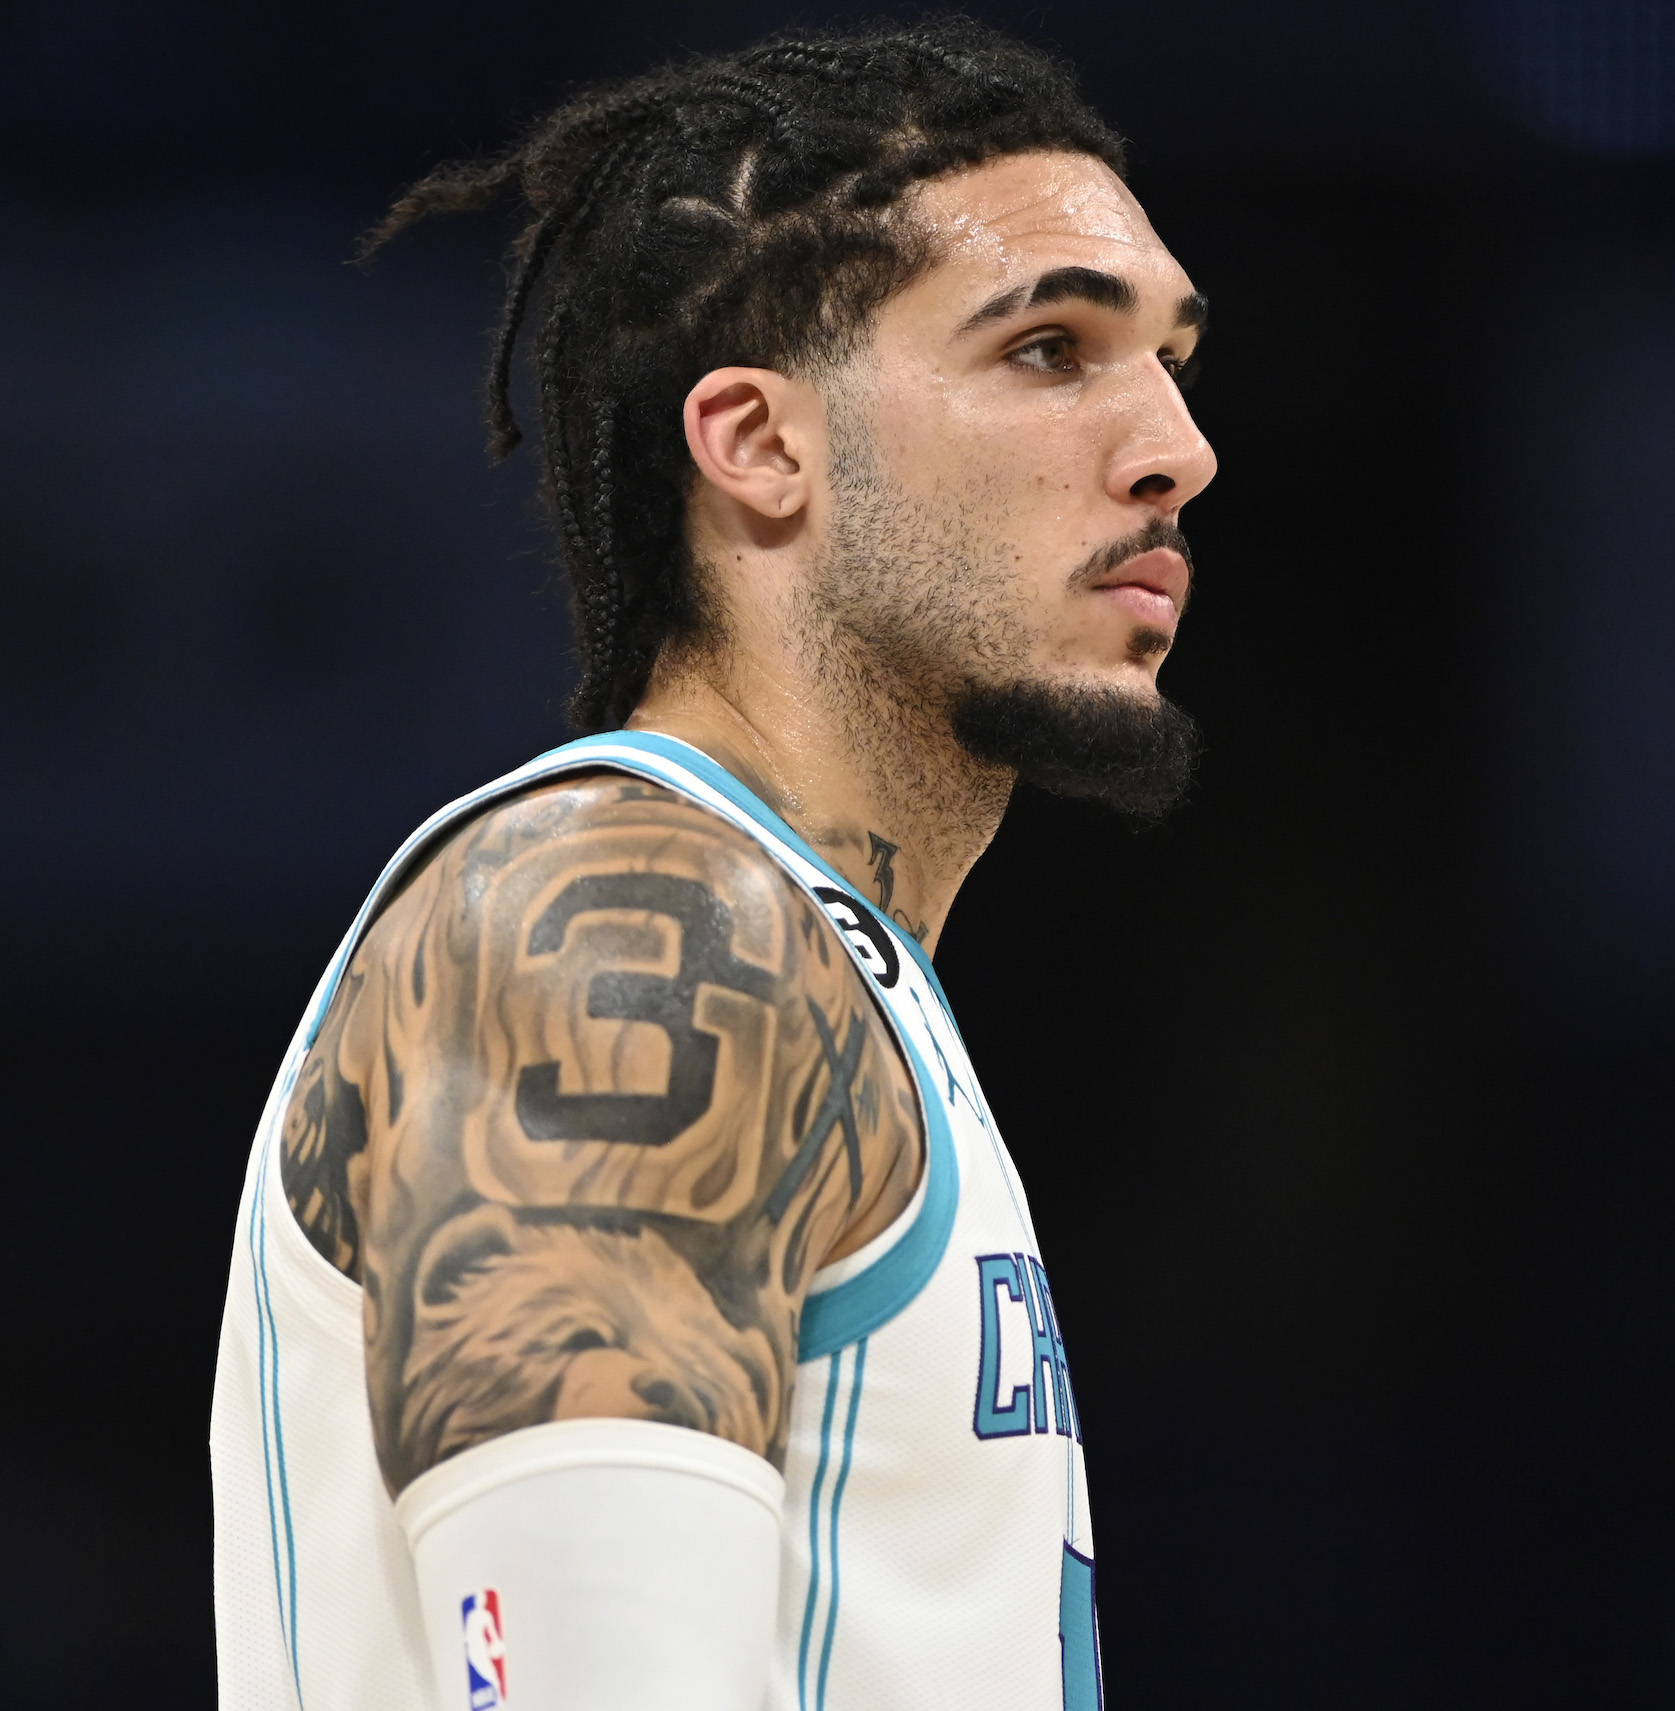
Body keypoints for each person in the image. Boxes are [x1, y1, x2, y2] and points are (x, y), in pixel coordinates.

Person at [208, 20, 1214, 1711]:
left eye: (1173, 358)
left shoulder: (822, 965)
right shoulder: (630, 934)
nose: (1175, 446)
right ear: (757, 442)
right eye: (1051, 349)